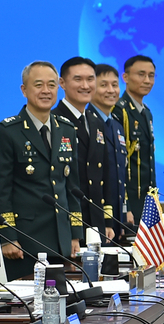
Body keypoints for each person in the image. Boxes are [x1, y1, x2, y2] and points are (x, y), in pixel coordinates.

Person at [0, 61, 83, 279]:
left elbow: (71, 187)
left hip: (61, 241)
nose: (46, 91)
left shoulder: (67, 130)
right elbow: (0, 190)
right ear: (24, 90)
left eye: (51, 85)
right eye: (38, 85)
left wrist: (75, 234)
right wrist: (7, 236)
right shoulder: (8, 132)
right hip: (25, 242)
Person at [53, 57, 117, 241]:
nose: (85, 85)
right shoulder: (54, 120)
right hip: (67, 223)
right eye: (78, 79)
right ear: (62, 83)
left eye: (90, 79)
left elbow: (103, 174)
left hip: (95, 224)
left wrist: (107, 220)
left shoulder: (95, 122)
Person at [114, 55, 156, 222]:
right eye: (141, 74)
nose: (147, 80)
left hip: (146, 202)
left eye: (151, 75)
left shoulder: (146, 112)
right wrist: (125, 206)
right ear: (125, 77)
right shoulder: (119, 110)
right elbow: (118, 162)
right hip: (129, 202)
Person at [90, 63, 129, 235]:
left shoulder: (117, 126)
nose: (111, 90)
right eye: (104, 85)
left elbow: (121, 174)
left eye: (115, 85)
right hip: (96, 220)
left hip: (116, 219)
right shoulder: (86, 122)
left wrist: (124, 212)